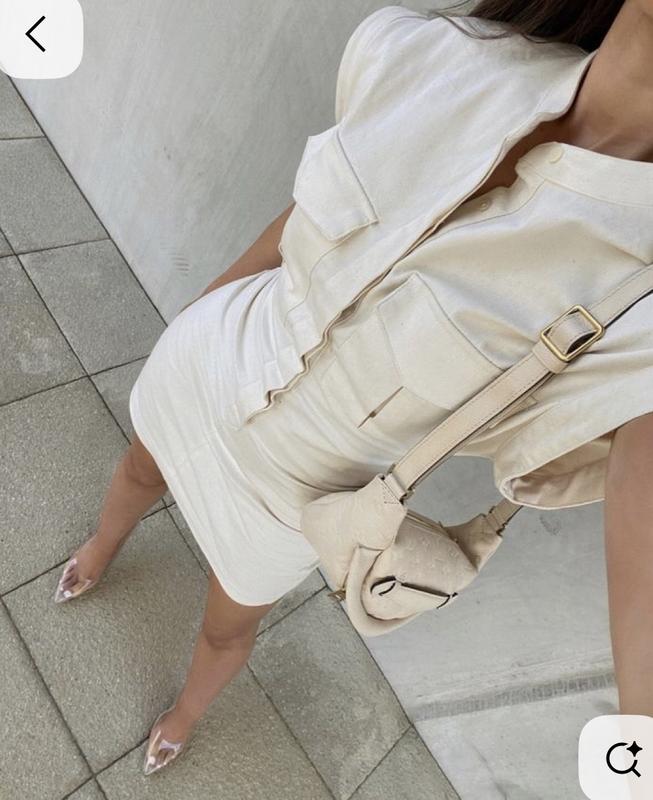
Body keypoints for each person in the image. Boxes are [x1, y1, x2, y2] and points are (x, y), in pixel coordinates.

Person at [54, 0, 653, 776]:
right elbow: (299, 221)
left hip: (292, 497)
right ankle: (99, 549)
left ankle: (184, 715)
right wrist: (198, 314)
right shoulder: (440, 52)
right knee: (138, 469)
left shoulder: (639, 308)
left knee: (226, 627)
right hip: (207, 359)